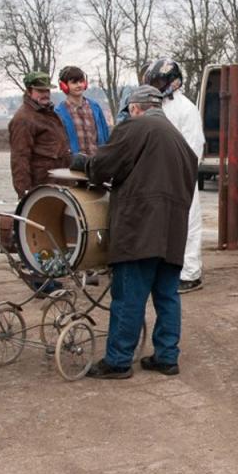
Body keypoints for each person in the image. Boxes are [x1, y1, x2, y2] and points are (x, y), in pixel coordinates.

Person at [70, 85, 197, 379]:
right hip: (173, 229)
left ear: (136, 108)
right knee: (167, 296)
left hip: (139, 227)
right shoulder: (179, 140)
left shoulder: (136, 127)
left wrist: (84, 163)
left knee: (129, 295)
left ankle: (118, 361)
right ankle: (166, 357)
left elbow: (104, 166)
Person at [143, 59, 207, 294]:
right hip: (158, 176)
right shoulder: (154, 107)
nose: (155, 86)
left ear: (173, 81)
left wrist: (178, 172)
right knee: (162, 226)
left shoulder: (185, 109)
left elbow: (193, 146)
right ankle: (166, 269)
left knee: (187, 224)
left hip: (181, 176)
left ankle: (191, 273)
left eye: (159, 81)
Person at [8, 70, 69, 199]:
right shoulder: (23, 119)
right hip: (42, 187)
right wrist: (25, 192)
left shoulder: (49, 113)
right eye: (40, 91)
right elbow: (20, 158)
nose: (45, 94)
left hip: (59, 185)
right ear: (29, 91)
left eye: (47, 90)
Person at [55, 65, 110, 160]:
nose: (79, 85)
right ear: (64, 86)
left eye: (81, 81)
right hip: (72, 166)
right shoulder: (59, 113)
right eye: (74, 82)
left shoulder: (95, 108)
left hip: (97, 163)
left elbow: (106, 136)